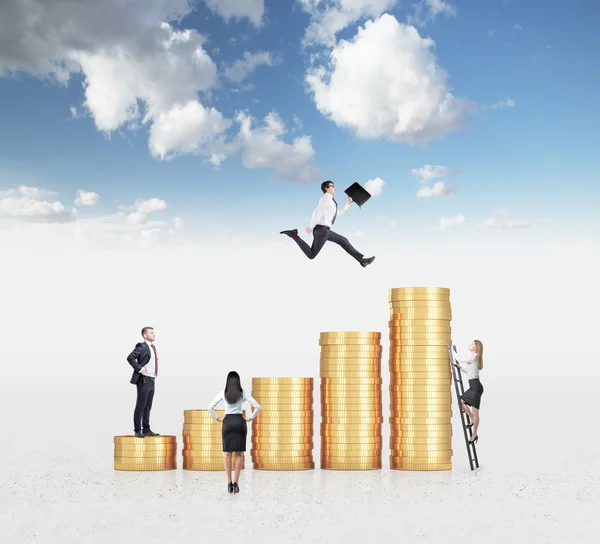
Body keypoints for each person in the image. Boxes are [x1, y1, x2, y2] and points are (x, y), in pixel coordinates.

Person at [280, 180, 375, 267]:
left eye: (334, 186)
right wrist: (310, 226)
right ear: (326, 188)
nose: (334, 187)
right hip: (322, 230)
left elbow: (338, 213)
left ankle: (362, 260)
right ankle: (294, 235)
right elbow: (317, 212)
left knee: (343, 241)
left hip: (324, 230)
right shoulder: (326, 199)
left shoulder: (331, 201)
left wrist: (348, 204)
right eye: (332, 186)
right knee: (312, 255)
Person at [208, 371, 261, 494]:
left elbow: (210, 407)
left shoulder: (223, 393)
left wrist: (218, 418)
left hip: (227, 422)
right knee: (238, 454)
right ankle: (236, 483)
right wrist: (250, 418)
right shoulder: (243, 393)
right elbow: (257, 406)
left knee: (227, 454)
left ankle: (229, 482)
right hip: (239, 422)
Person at [126, 326, 160, 438]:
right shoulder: (142, 346)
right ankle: (137, 430)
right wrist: (140, 368)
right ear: (145, 335)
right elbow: (130, 357)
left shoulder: (153, 347)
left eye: (154, 333)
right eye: (151, 333)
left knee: (148, 406)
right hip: (144, 380)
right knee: (140, 406)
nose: (154, 334)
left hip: (152, 380)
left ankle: (146, 429)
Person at [452, 340, 484, 444]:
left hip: (475, 386)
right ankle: (471, 419)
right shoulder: (474, 357)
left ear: (476, 347)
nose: (469, 345)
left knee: (475, 412)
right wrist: (460, 368)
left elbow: (460, 359)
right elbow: (469, 371)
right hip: (474, 386)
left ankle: (474, 435)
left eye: (471, 344)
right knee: (462, 402)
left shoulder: (474, 356)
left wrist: (452, 351)